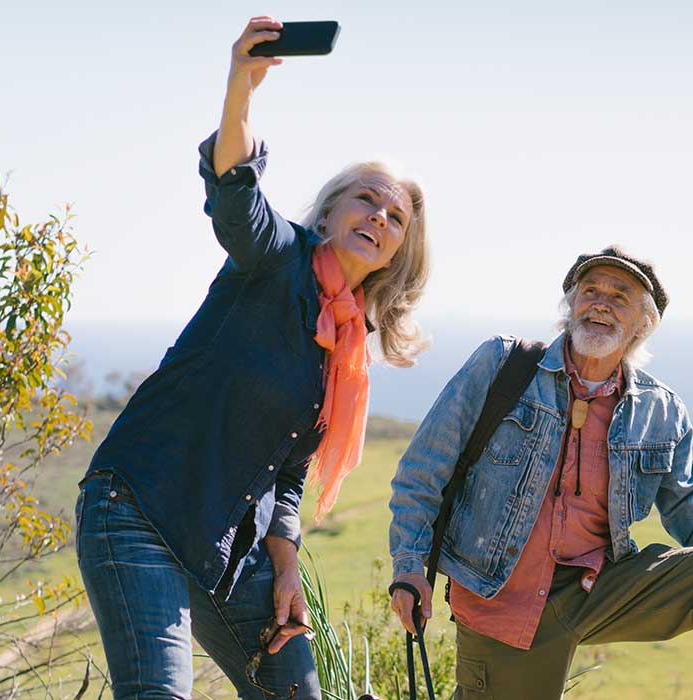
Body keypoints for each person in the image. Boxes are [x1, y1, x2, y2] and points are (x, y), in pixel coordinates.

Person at [75, 16, 429, 699]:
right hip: (139, 510)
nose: (379, 218)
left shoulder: (345, 342)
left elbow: (290, 467)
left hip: (230, 548)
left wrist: (286, 560)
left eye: (395, 218)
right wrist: (242, 84)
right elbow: (235, 192)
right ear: (327, 216)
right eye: (367, 200)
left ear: (397, 253)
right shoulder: (276, 259)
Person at [387, 246, 693, 699]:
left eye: (620, 296)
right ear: (571, 306)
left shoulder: (659, 409)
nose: (601, 304)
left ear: (642, 324)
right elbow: (423, 470)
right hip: (504, 596)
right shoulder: (501, 364)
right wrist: (409, 567)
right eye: (590, 291)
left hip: (602, 586)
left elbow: (691, 509)